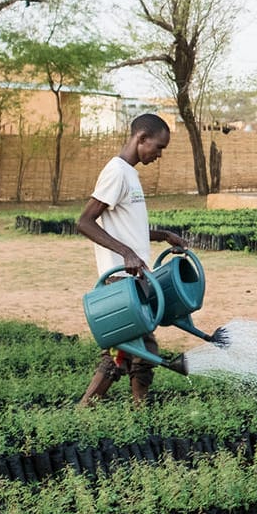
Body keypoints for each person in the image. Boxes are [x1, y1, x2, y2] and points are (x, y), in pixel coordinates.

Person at [77, 113, 191, 405]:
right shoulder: (116, 171)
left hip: (133, 279)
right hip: (120, 280)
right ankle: (121, 409)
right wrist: (126, 254)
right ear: (141, 139)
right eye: (159, 147)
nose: (159, 155)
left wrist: (163, 234)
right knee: (137, 348)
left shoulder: (130, 173)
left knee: (126, 349)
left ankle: (107, 408)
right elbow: (86, 222)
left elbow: (128, 227)